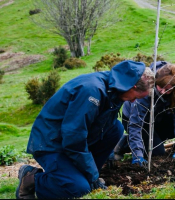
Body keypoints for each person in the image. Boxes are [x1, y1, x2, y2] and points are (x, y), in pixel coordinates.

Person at [16, 60, 154, 199]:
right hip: (51, 143)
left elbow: (104, 126)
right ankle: (32, 178)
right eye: (136, 97)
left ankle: (81, 177)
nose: (132, 102)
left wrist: (102, 161)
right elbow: (73, 137)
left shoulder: (116, 90)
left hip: (72, 141)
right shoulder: (92, 91)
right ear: (132, 86)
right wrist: (93, 175)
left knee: (116, 129)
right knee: (78, 189)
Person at [112, 61, 175, 167]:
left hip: (158, 117)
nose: (162, 92)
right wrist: (138, 155)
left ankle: (151, 141)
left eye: (167, 89)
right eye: (160, 87)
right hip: (134, 119)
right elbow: (135, 125)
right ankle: (126, 142)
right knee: (157, 152)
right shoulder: (146, 88)